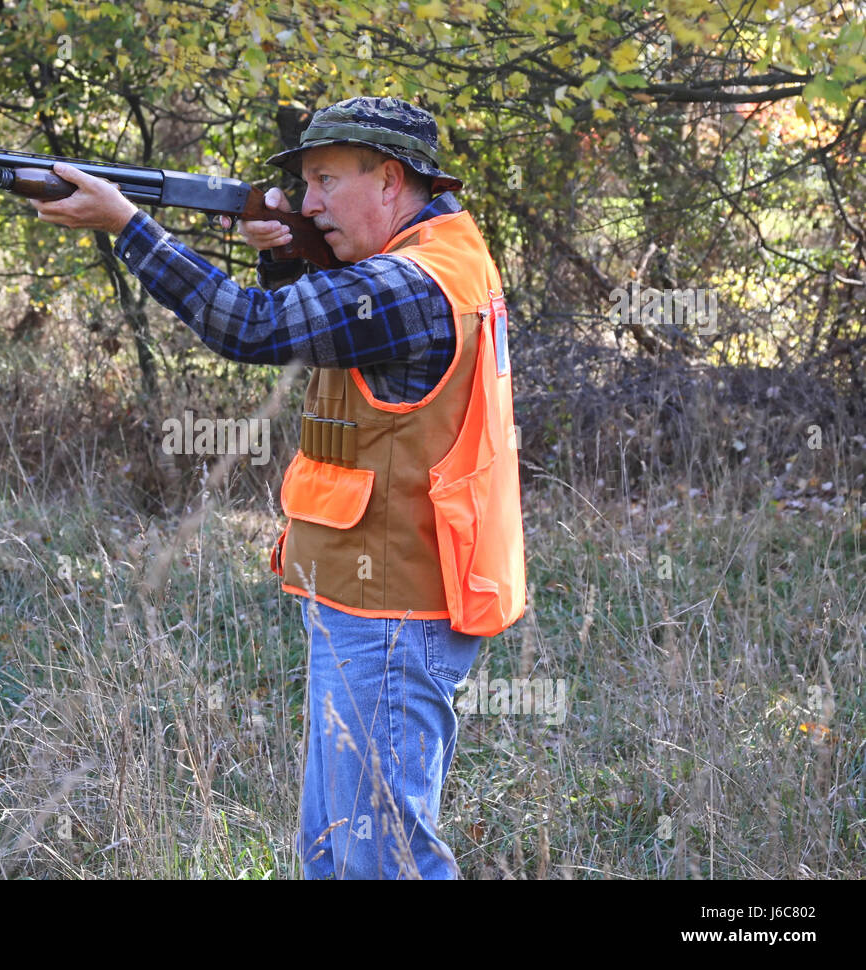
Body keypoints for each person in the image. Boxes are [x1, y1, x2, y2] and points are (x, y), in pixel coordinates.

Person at [29, 96, 527, 879]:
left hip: (397, 610)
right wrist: (288, 253)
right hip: (366, 598)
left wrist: (127, 226)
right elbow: (327, 330)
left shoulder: (412, 281)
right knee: (333, 855)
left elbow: (252, 327)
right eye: (303, 188)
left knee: (384, 857)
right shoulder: (436, 253)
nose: (310, 202)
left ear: (391, 179)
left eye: (325, 181)